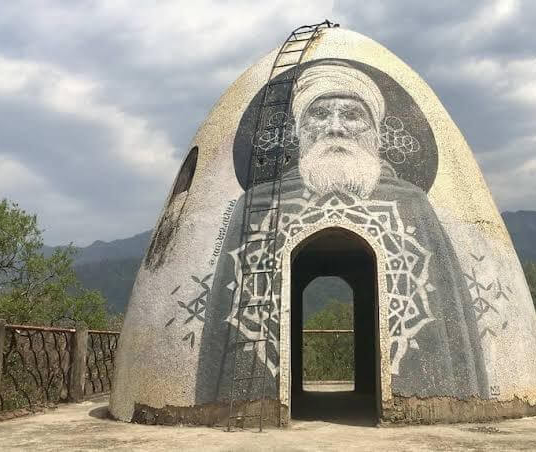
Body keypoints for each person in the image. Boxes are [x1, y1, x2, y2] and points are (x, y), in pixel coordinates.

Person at [205, 61, 490, 400]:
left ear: (377, 134)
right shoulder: (257, 205)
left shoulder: (413, 205)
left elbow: (445, 327)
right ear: (299, 131)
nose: (335, 128)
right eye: (320, 114)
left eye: (353, 115)